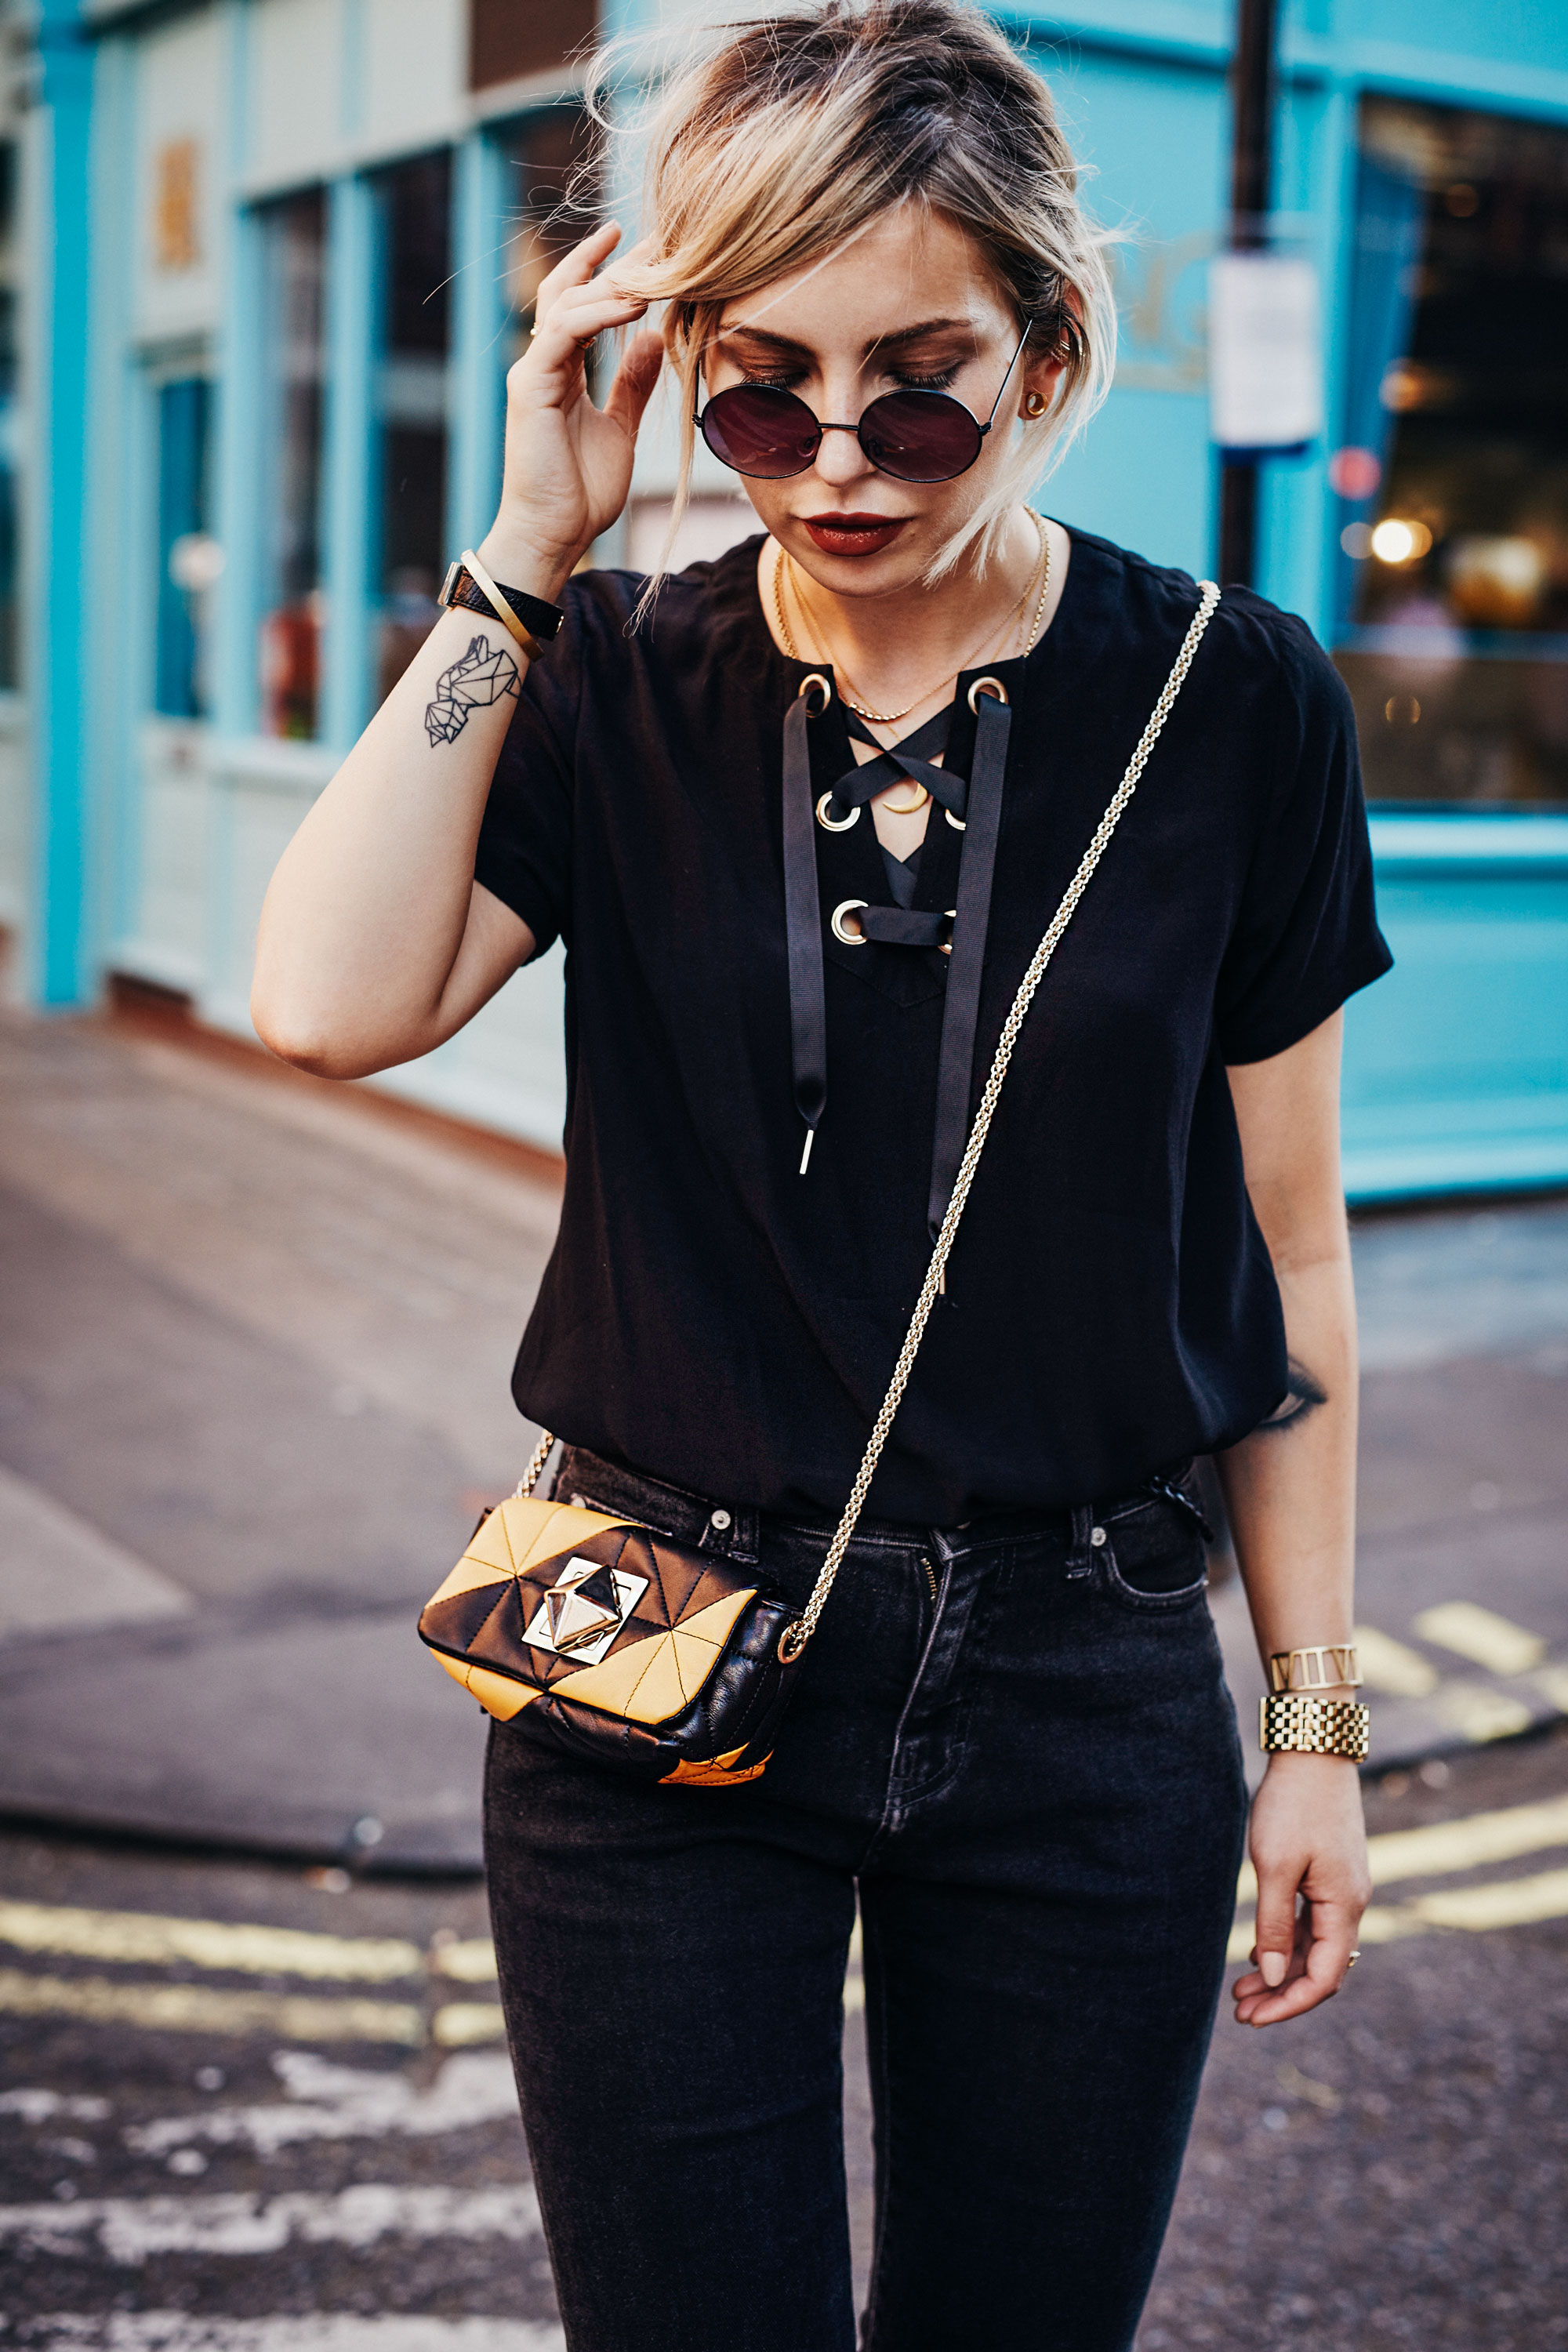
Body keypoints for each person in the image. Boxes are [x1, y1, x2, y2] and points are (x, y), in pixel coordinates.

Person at [251, 5, 1388, 2344]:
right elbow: (325, 1003)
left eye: (923, 383)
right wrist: (525, 543)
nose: (840, 460)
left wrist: (1317, 1738)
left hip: (1086, 1684)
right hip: (652, 1653)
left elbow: (1292, 1263)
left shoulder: (1236, 703)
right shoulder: (616, 672)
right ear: (678, 364)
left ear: (1053, 347)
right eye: (761, 387)